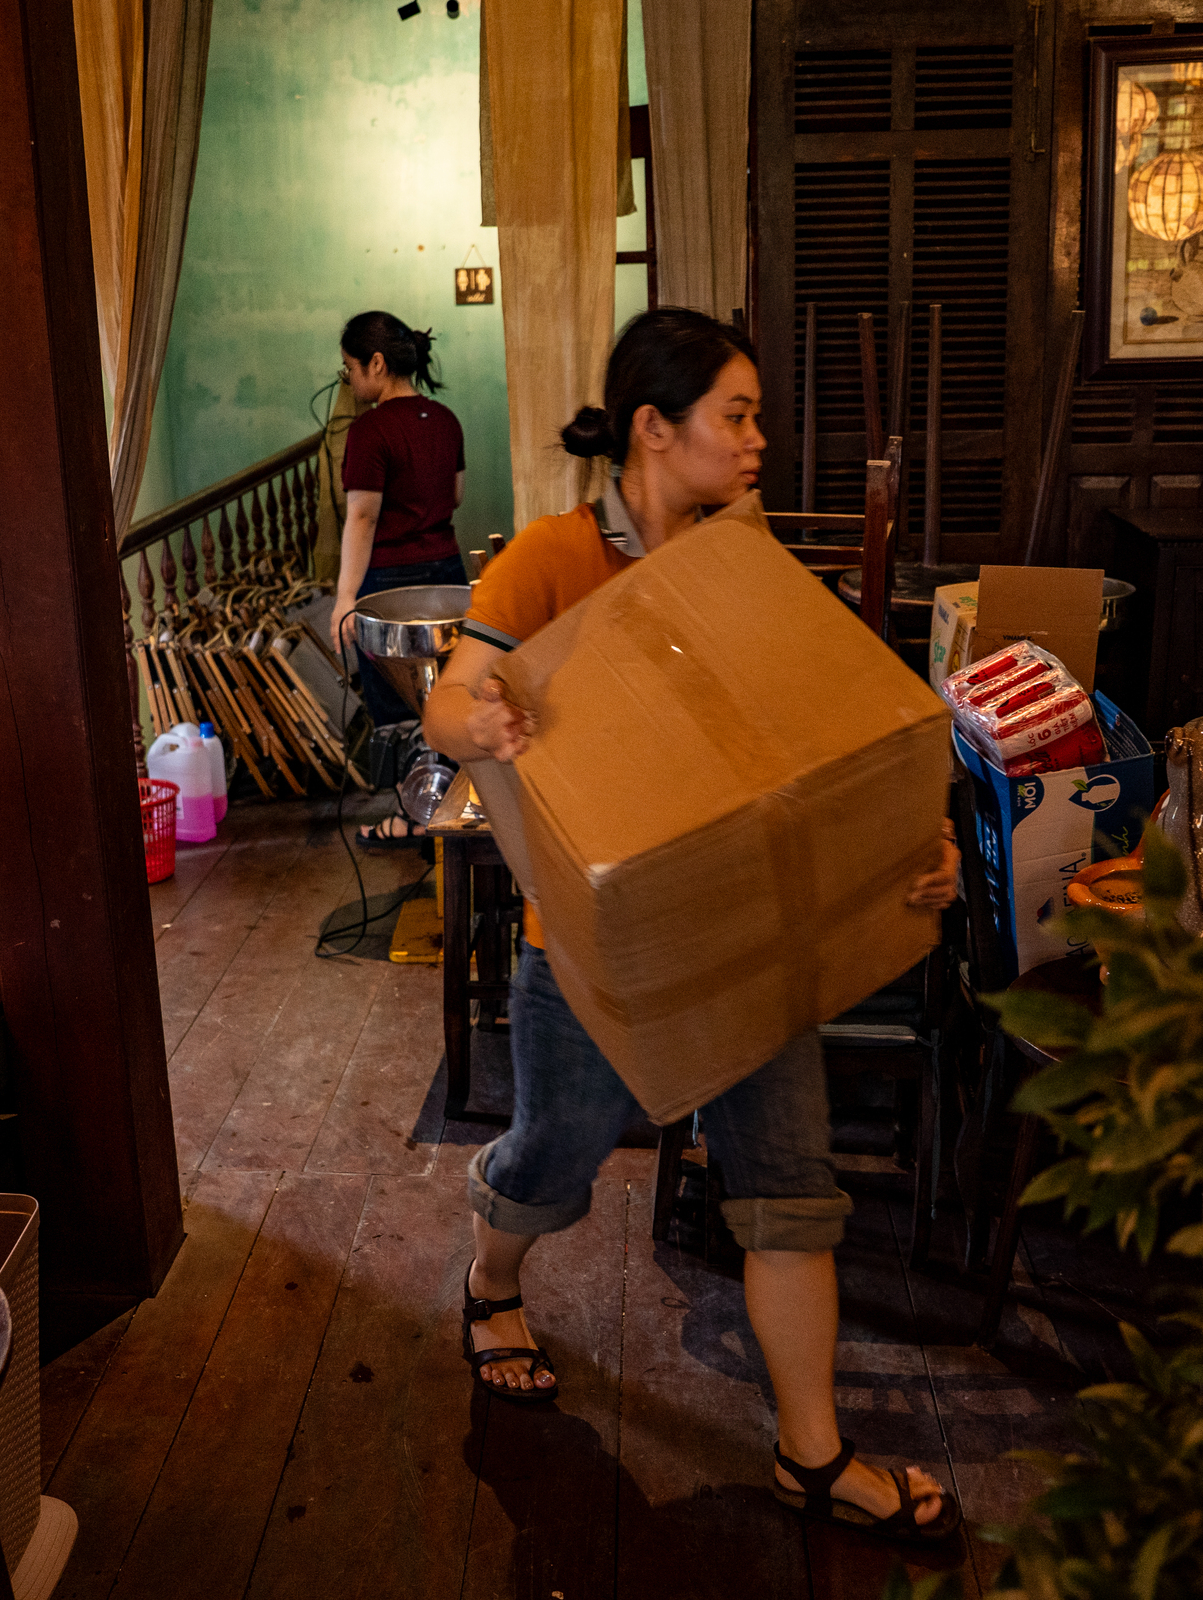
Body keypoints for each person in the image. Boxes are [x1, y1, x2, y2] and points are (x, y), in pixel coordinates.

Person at [420, 308, 964, 1550]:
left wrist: (911, 842)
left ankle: (812, 1454)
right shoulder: (554, 558)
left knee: (790, 1188)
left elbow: (828, 733)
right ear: (655, 430)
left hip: (748, 941)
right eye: (739, 415)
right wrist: (481, 720)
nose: (759, 440)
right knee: (554, 1157)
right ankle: (492, 1284)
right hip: (591, 950)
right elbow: (449, 696)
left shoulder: (746, 560)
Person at [326, 312, 465, 847]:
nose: (348, 379)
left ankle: (412, 818)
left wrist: (345, 597)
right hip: (447, 577)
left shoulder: (370, 431)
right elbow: (455, 495)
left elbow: (362, 518)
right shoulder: (445, 419)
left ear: (377, 364)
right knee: (447, 699)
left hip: (391, 588)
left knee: (399, 711)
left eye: (350, 368)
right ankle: (451, 810)